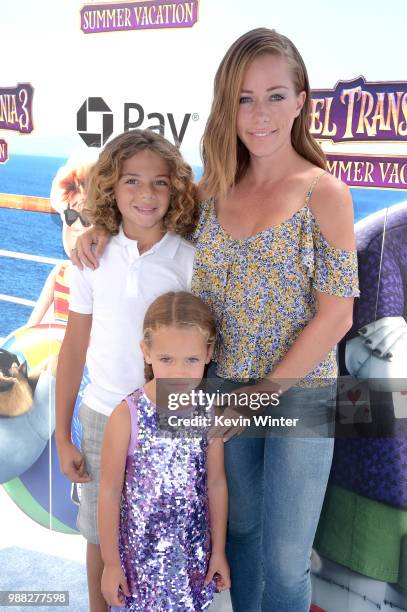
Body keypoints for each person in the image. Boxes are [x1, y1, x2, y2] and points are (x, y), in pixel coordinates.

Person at [72, 28, 359, 612]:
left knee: (285, 562)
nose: (259, 114)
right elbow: (140, 214)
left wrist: (260, 395)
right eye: (244, 98)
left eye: (276, 96)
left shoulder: (325, 194)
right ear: (227, 106)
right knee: (244, 537)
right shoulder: (209, 192)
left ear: (302, 100)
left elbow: (336, 316)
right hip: (223, 390)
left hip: (300, 398)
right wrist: (90, 228)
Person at [55, 129, 198, 612]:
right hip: (99, 415)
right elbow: (74, 347)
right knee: (99, 533)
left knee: (158, 529)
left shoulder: (189, 260)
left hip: (167, 420)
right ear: (111, 186)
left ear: (176, 188)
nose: (146, 194)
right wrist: (62, 434)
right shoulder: (90, 256)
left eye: (160, 183)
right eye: (132, 181)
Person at [98, 291, 230, 611]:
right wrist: (110, 563)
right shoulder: (127, 415)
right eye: (167, 359)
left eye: (192, 360)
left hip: (190, 559)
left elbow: (215, 484)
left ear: (208, 353)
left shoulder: (208, 413)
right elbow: (109, 491)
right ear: (146, 352)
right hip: (138, 564)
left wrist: (219, 552)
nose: (179, 372)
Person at [27, 155, 94, 326]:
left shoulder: (110, 279)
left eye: (87, 217)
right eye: (71, 216)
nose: (77, 225)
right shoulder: (60, 273)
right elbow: (31, 327)